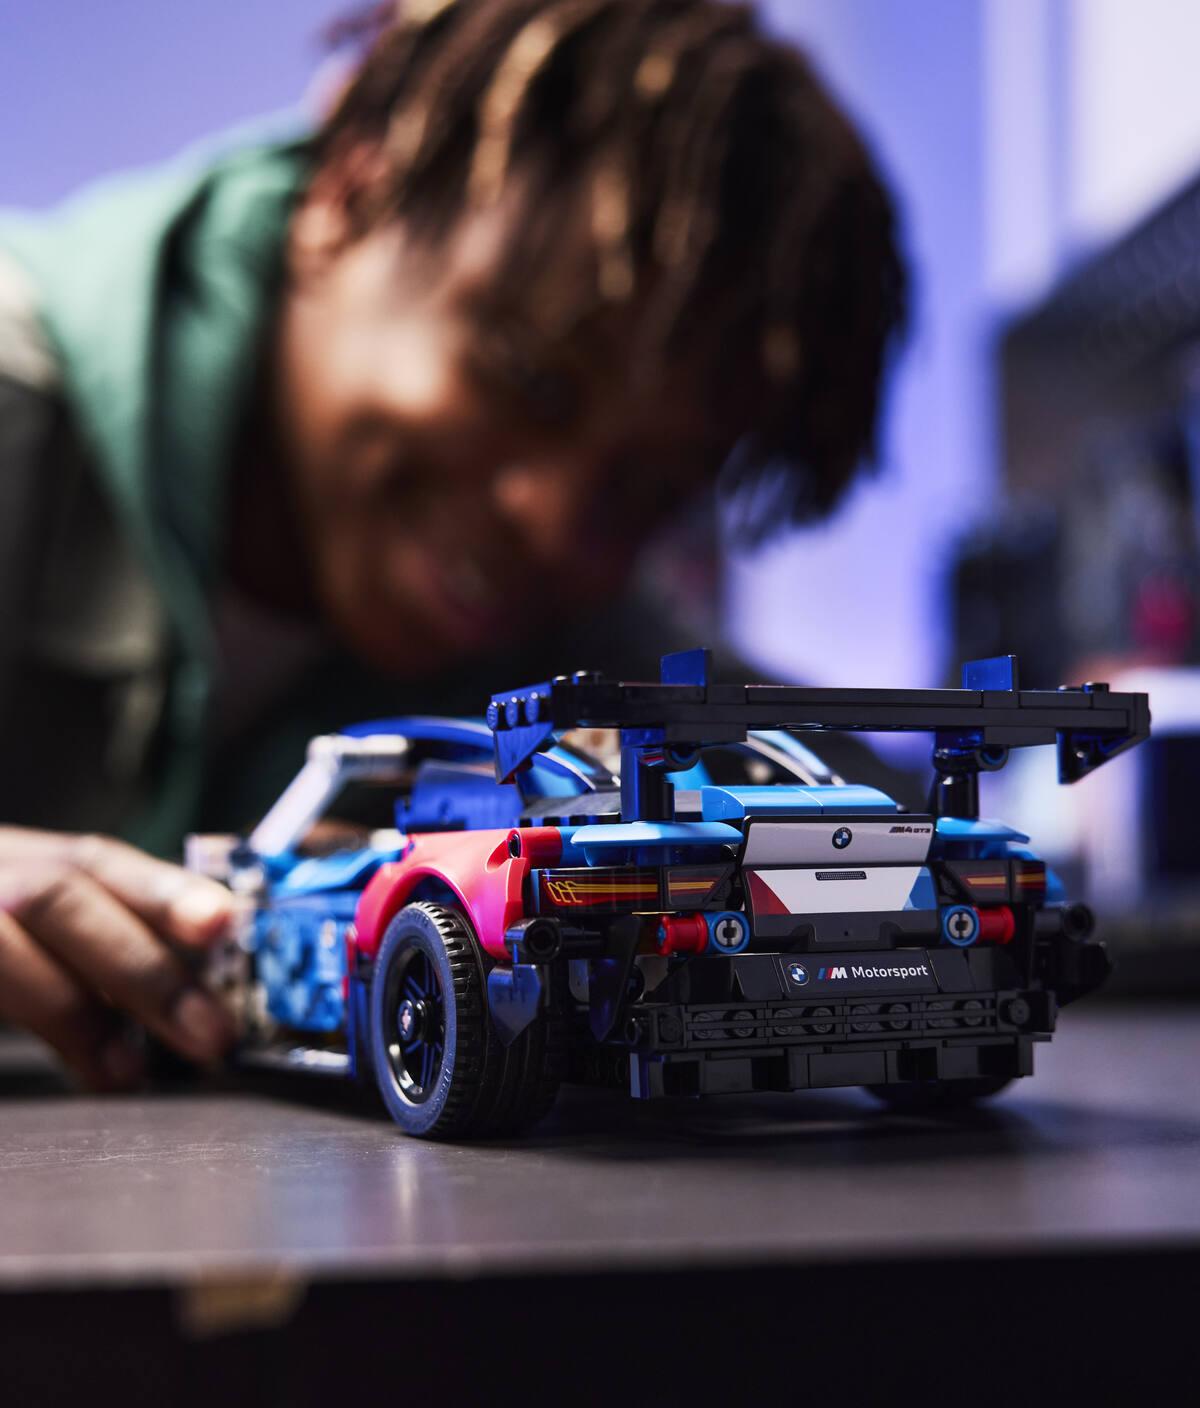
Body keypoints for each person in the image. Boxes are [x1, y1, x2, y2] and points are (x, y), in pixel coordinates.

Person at [0, 0, 908, 1088]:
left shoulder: (561, 635)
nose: (557, 526)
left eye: (651, 489)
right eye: (529, 378)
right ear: (350, 193)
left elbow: (844, 799)